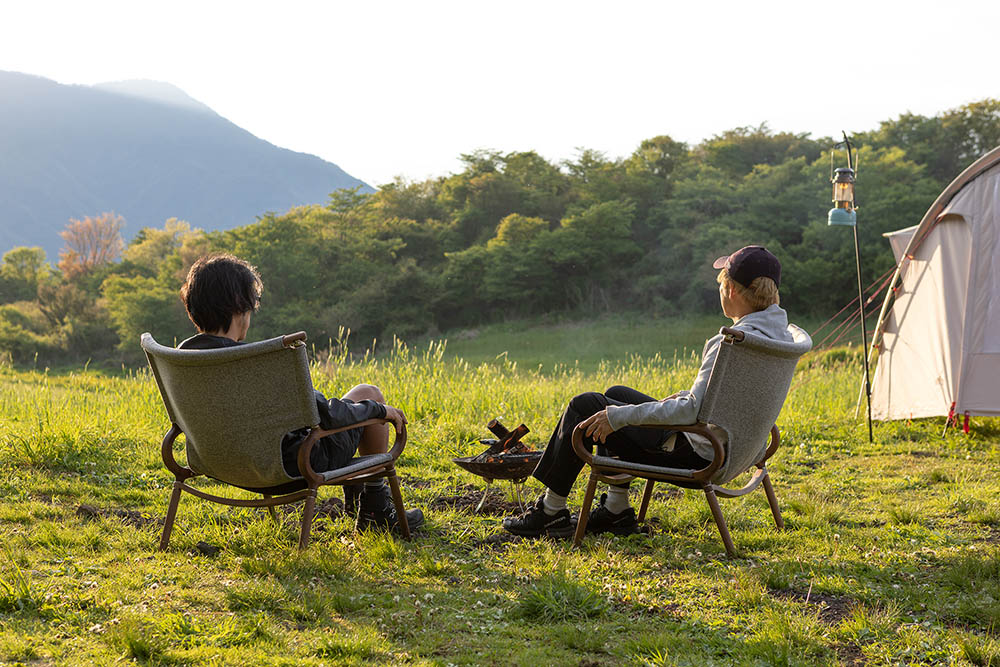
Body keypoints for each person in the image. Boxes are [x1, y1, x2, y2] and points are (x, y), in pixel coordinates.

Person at [502, 245, 794, 538]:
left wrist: (620, 417)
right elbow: (724, 396)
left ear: (730, 290)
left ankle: (551, 512)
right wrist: (675, 400)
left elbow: (691, 410)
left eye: (721, 285)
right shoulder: (778, 335)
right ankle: (616, 511)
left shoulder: (730, 344)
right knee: (616, 393)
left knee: (585, 406)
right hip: (739, 447)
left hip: (696, 454)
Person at [177, 252, 424, 532]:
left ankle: (360, 499)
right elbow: (326, 416)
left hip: (218, 463)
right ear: (239, 307)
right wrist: (381, 411)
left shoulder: (182, 358)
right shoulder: (256, 362)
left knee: (361, 400)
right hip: (292, 466)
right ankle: (376, 509)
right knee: (369, 394)